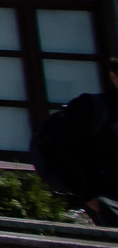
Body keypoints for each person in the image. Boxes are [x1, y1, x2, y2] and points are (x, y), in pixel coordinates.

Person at [30, 57, 118, 225]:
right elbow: (61, 151)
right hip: (108, 199)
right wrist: (88, 195)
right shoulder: (90, 108)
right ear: (114, 77)